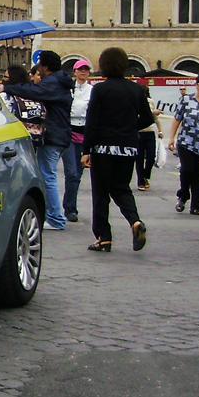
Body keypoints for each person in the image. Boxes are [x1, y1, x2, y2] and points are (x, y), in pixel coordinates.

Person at [81, 47, 154, 253]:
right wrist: (130, 128)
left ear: (104, 65)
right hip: (128, 147)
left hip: (103, 147)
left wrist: (86, 149)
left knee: (101, 192)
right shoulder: (136, 89)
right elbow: (148, 118)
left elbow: (92, 122)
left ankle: (104, 236)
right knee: (122, 188)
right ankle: (135, 221)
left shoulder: (100, 90)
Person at [3, 50, 73, 230]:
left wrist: (10, 87)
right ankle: (53, 215)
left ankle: (56, 218)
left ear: (46, 67)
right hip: (59, 134)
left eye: (40, 64)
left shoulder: (53, 83)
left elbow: (34, 92)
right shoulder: (60, 80)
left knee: (47, 175)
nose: (38, 68)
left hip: (53, 135)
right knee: (46, 174)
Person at [168, 72, 199, 216]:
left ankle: (196, 205)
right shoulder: (186, 100)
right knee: (187, 170)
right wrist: (171, 138)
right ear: (196, 85)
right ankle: (183, 194)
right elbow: (177, 119)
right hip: (186, 142)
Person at [62, 58, 93, 222]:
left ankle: (69, 203)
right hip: (69, 132)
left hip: (85, 133)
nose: (83, 72)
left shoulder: (92, 90)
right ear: (74, 72)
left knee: (78, 173)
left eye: (86, 70)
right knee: (71, 172)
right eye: (80, 69)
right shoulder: (69, 89)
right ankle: (70, 209)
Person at [134, 87, 165, 191]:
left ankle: (145, 175)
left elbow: (154, 118)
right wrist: (153, 111)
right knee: (139, 158)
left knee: (151, 157)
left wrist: (160, 130)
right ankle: (140, 182)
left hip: (150, 131)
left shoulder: (150, 101)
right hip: (139, 132)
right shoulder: (135, 101)